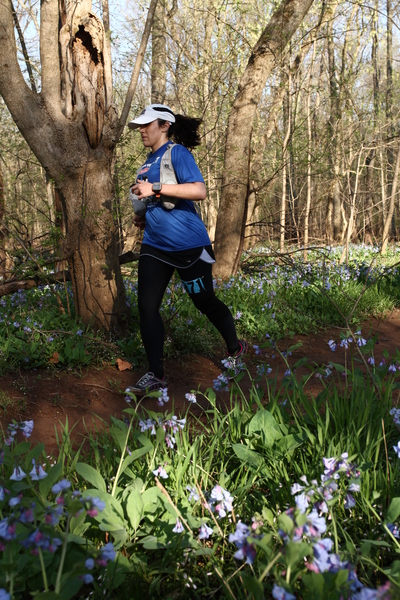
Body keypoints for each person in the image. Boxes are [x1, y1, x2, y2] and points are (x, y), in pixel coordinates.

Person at [127, 103, 247, 394]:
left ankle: (235, 349)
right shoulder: (147, 163)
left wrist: (155, 188)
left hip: (189, 245)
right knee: (147, 307)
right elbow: (159, 199)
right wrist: (144, 215)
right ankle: (156, 374)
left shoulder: (177, 153)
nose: (141, 130)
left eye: (147, 124)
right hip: (155, 245)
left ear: (164, 126)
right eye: (140, 126)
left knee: (204, 301)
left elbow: (198, 190)